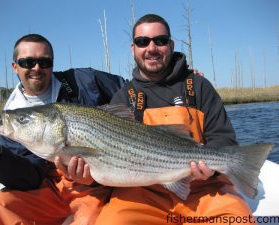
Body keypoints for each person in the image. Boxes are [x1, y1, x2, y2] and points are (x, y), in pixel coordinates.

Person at [94, 14, 256, 225]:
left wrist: (210, 169)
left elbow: (224, 139)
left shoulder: (198, 86)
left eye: (160, 40)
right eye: (143, 42)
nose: (151, 48)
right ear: (133, 48)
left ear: (170, 45)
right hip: (143, 196)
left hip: (204, 190)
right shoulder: (123, 97)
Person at [0, 34, 125, 225]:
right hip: (48, 187)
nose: (37, 68)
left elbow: (131, 91)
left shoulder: (83, 80)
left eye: (44, 62)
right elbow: (29, 178)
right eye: (28, 62)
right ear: (15, 66)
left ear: (52, 64)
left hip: (93, 186)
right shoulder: (12, 118)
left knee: (91, 219)